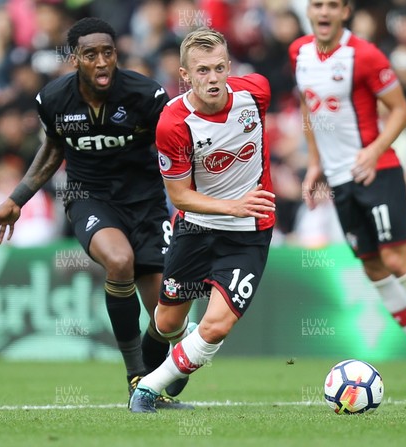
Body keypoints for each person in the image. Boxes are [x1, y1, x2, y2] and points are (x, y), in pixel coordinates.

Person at [0, 17, 192, 409]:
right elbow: (52, 149)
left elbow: (177, 145)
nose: (101, 62)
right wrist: (17, 198)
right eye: (91, 54)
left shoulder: (146, 96)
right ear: (75, 58)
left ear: (117, 54)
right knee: (119, 261)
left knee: (167, 318)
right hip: (89, 198)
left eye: (108, 52)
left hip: (146, 204)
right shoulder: (54, 100)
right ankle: (137, 380)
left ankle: (169, 366)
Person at [289, 0, 406, 392]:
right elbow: (308, 105)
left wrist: (375, 149)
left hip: (376, 173)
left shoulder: (364, 55)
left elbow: (401, 111)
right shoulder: (298, 51)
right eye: (318, 4)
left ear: (345, 11)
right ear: (309, 11)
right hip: (339, 180)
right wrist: (315, 162)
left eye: (333, 5)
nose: (324, 12)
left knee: (397, 259)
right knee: (373, 267)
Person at [129, 27, 275, 413]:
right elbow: (178, 196)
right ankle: (186, 345)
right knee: (166, 322)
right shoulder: (173, 123)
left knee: (216, 327)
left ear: (229, 67)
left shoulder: (256, 92)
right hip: (196, 228)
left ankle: (146, 390)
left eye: (219, 68)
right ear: (185, 76)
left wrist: (243, 209)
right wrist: (232, 205)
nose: (213, 79)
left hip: (249, 232)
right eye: (203, 71)